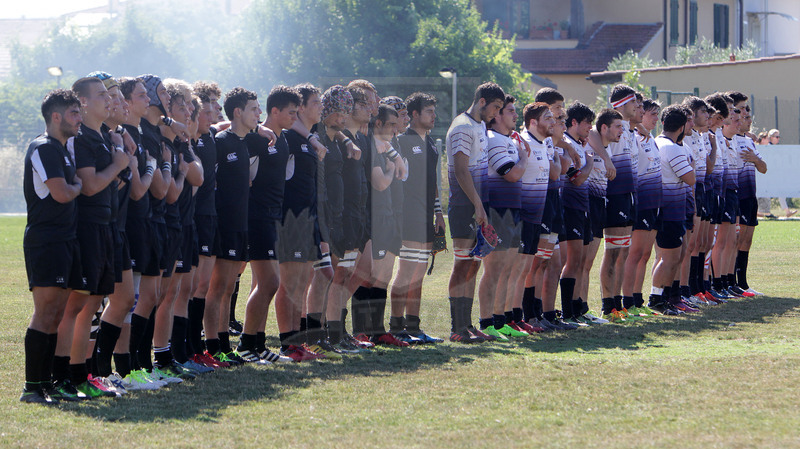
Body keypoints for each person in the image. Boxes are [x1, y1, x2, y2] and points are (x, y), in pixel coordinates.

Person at [56, 76, 129, 399]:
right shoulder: (82, 137)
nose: (109, 99)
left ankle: (83, 374)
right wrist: (118, 164)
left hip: (107, 226)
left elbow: (112, 184)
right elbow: (89, 185)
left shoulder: (101, 136)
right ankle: (65, 376)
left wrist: (118, 160)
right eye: (101, 95)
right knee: (78, 306)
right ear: (82, 102)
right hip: (87, 229)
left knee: (92, 304)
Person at [20, 89, 85, 404]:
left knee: (57, 313)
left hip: (64, 240)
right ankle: (32, 387)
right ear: (56, 116)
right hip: (47, 240)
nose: (79, 119)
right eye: (74, 113)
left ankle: (46, 383)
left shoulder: (62, 148)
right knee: (45, 312)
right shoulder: (44, 148)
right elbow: (61, 193)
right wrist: (77, 186)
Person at [445, 82, 505, 343]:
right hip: (463, 207)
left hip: (478, 205)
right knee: (462, 265)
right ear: (481, 101)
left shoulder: (480, 126)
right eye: (495, 107)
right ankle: (457, 329)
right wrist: (478, 205)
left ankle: (468, 326)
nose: (497, 113)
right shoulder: (462, 126)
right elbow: (460, 170)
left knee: (473, 266)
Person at [388, 92, 444, 343]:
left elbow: (432, 184)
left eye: (434, 111)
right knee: (407, 271)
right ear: (414, 115)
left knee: (419, 271)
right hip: (407, 215)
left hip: (425, 216)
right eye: (429, 112)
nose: (434, 116)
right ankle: (396, 327)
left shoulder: (431, 143)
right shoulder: (402, 141)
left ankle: (414, 327)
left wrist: (438, 212)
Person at [477, 94, 528, 339]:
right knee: (495, 269)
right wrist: (525, 158)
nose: (515, 115)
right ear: (496, 116)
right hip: (497, 209)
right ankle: (487, 322)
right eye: (510, 111)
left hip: (512, 209)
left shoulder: (507, 139)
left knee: (507, 269)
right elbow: (511, 175)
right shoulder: (493, 139)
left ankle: (501, 320)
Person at [649, 105, 695, 314]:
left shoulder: (656, 142)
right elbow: (690, 178)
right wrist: (691, 162)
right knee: (669, 257)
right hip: (670, 209)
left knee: (673, 254)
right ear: (682, 127)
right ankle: (656, 299)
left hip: (664, 207)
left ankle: (666, 296)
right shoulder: (673, 148)